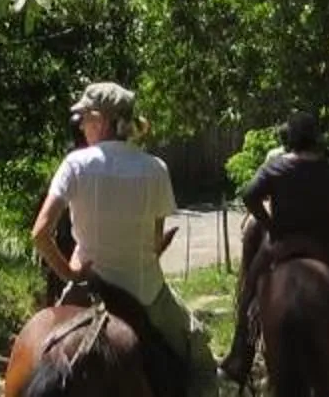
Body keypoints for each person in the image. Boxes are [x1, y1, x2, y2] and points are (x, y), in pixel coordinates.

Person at [31, 81, 218, 396]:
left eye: (84, 118)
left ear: (102, 120)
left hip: (87, 288)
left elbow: (40, 234)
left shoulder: (75, 164)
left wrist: (71, 274)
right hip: (145, 292)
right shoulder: (155, 169)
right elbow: (154, 243)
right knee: (200, 355)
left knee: (40, 346)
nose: (81, 125)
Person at [217, 114, 329, 389]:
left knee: (249, 291)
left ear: (290, 139)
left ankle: (239, 357)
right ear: (315, 138)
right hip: (326, 244)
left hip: (282, 244)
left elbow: (249, 195)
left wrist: (271, 225)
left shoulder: (276, 167)